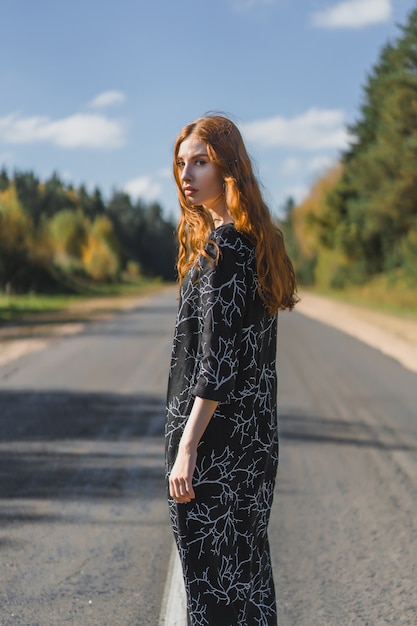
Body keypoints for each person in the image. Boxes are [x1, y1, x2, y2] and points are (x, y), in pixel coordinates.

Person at [165, 114, 298, 626]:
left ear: (228, 168)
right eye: (182, 164)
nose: (187, 174)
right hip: (255, 446)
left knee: (213, 596)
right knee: (248, 585)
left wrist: (187, 448)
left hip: (217, 452)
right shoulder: (256, 242)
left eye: (200, 162)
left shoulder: (222, 253)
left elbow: (215, 366)